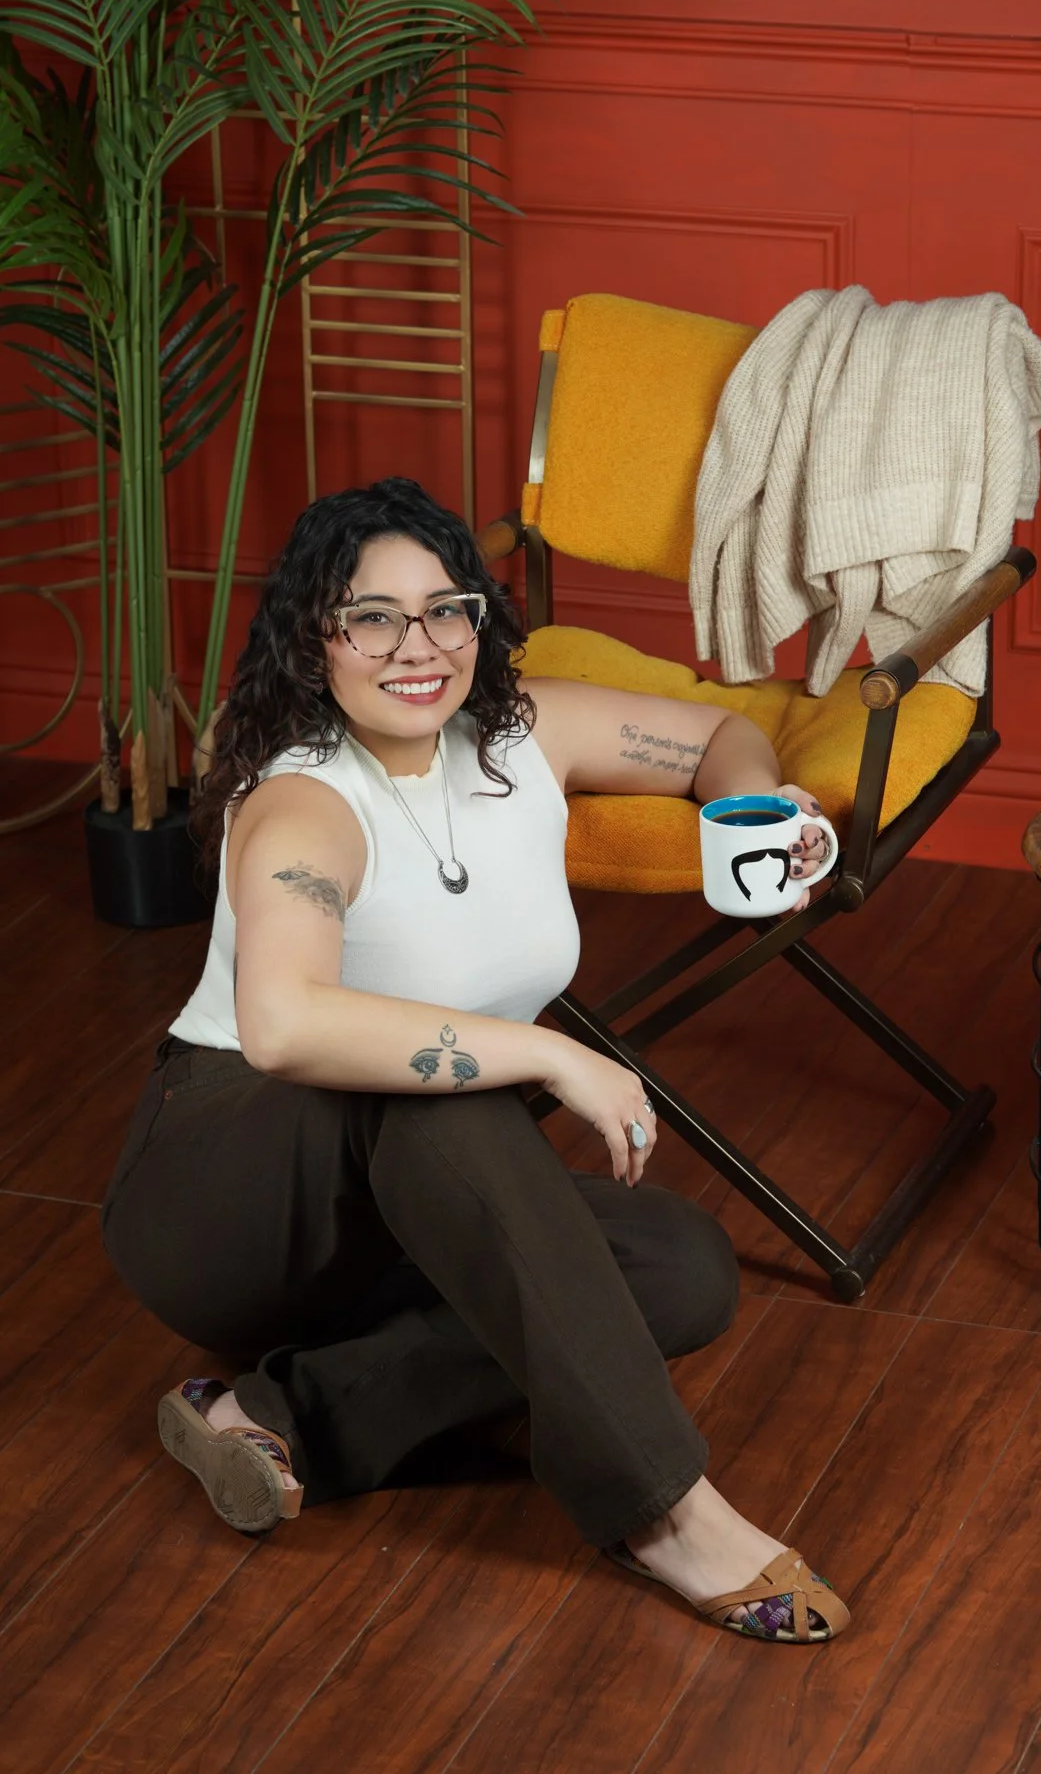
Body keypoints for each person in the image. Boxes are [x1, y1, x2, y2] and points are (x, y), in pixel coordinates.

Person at [101, 477, 849, 1645]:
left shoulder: (519, 736)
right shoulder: (302, 802)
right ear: (315, 637)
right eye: (374, 618)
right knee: (445, 1091)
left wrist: (752, 812)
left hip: (414, 1208)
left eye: (446, 609)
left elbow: (716, 735)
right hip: (231, 1195)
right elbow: (287, 1027)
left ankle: (275, 1410)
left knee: (682, 1270)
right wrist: (543, 1052)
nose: (419, 647)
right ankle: (664, 1512)